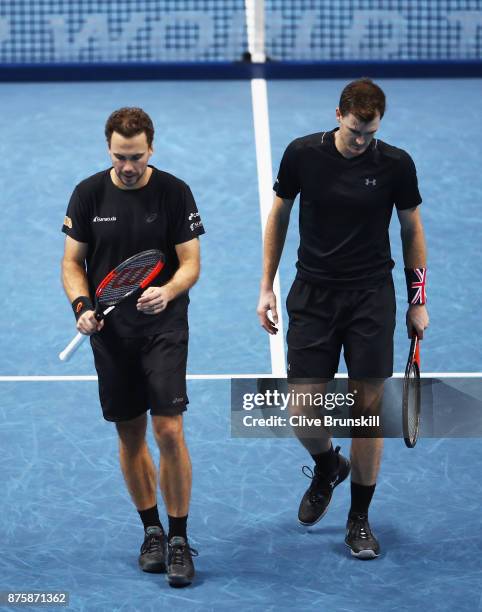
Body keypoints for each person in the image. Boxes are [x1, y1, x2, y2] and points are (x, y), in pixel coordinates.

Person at [257, 78, 429, 558]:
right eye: (355, 130)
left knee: (366, 412)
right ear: (338, 115)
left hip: (371, 297)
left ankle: (358, 518)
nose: (361, 141)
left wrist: (418, 299)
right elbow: (280, 216)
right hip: (312, 294)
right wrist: (265, 285)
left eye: (370, 133)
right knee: (302, 411)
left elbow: (412, 228)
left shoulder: (396, 164)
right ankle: (329, 464)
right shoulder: (302, 155)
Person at [61, 107, 204, 586]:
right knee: (129, 434)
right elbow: (72, 262)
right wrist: (82, 304)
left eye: (137, 156)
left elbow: (189, 264)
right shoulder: (87, 194)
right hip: (110, 334)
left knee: (168, 430)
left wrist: (168, 290)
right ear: (108, 148)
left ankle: (180, 539)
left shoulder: (173, 192)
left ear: (152, 148)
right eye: (120, 156)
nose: (128, 165)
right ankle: (152, 532)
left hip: (163, 327)